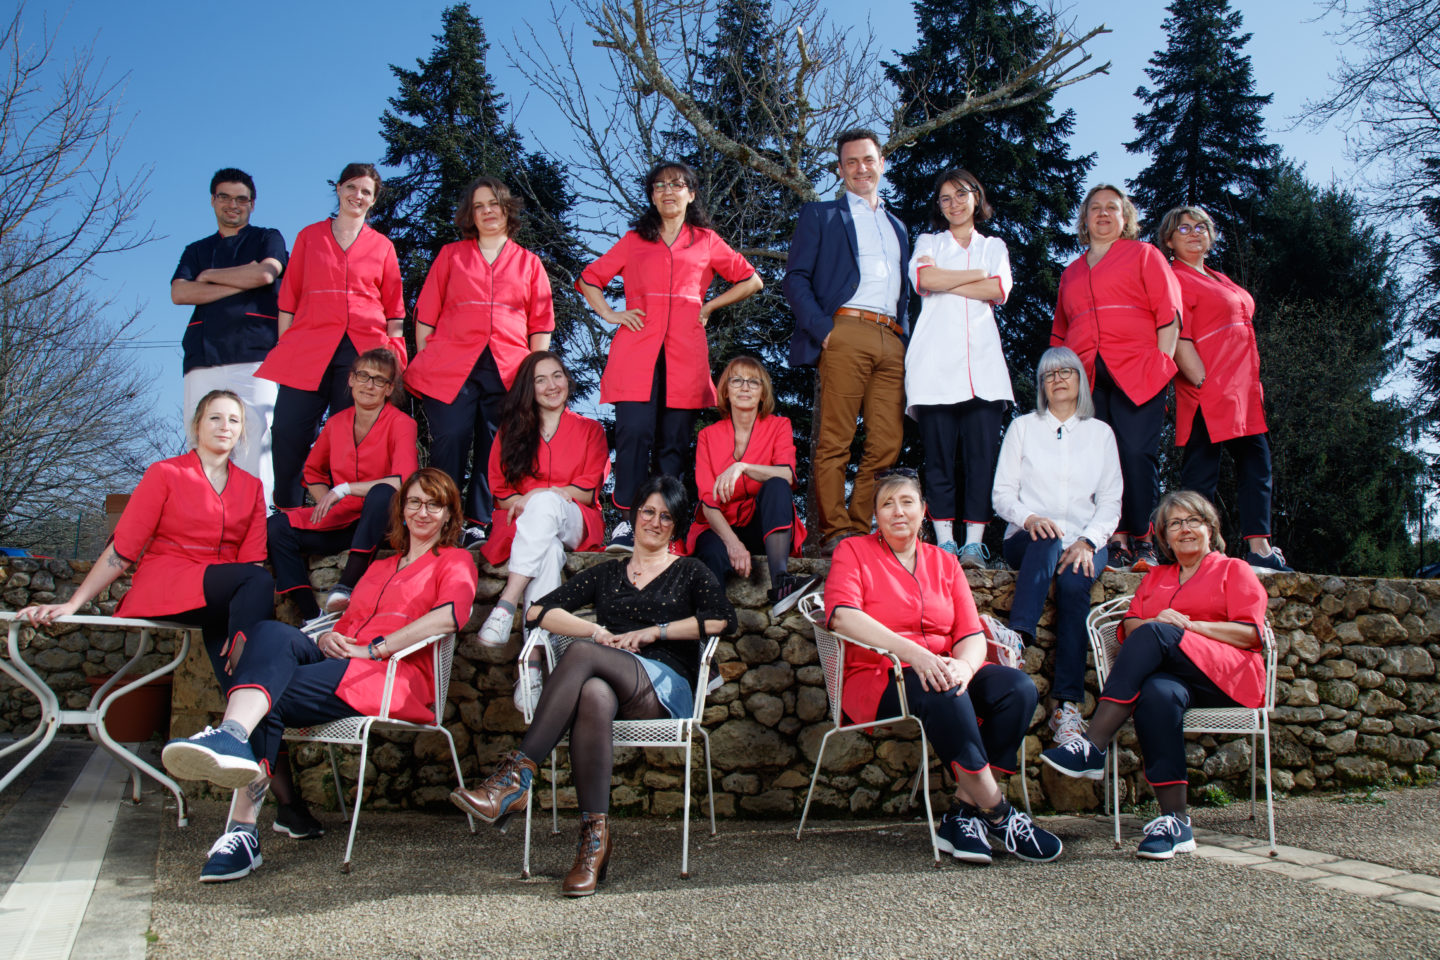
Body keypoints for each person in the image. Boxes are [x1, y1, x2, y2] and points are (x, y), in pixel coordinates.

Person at [17, 392, 319, 839]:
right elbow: (123, 549)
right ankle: (247, 673)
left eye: (233, 420)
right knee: (256, 597)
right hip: (169, 584)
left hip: (225, 595)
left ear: (241, 432)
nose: (224, 426)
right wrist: (74, 602)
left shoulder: (250, 487)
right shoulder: (165, 473)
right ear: (197, 425)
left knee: (252, 693)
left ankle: (287, 808)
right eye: (215, 418)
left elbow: (252, 557)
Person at [160, 468, 479, 882]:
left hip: (390, 677)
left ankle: (241, 828)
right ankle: (234, 737)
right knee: (269, 633)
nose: (422, 512)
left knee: (266, 696)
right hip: (340, 663)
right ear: (401, 509)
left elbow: (450, 616)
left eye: (434, 505)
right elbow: (348, 623)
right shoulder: (380, 567)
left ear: (449, 514)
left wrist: (375, 648)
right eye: (414, 502)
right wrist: (330, 637)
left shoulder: (454, 560)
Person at [451, 475, 736, 897]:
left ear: (675, 526)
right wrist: (595, 631)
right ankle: (593, 844)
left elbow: (723, 619)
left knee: (582, 655)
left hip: (665, 686)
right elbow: (539, 612)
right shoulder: (608, 573)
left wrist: (655, 632)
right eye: (648, 512)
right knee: (593, 692)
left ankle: (514, 779)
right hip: (614, 681)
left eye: (665, 516)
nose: (654, 522)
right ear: (634, 515)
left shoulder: (689, 571)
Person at [824, 470, 1062, 865]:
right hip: (878, 675)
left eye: (907, 502)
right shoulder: (854, 551)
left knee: (1017, 689)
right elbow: (842, 616)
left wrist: (965, 668)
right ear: (875, 516)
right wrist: (916, 655)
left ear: (924, 511)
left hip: (942, 670)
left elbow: (970, 633)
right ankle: (999, 814)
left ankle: (962, 815)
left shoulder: (945, 562)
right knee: (940, 684)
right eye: (887, 504)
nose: (898, 511)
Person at [1041, 490, 1269, 860]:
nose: (1185, 529)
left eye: (1193, 521)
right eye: (1175, 524)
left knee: (1156, 632)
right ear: (1164, 537)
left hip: (1227, 678)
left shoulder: (1234, 570)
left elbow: (1251, 634)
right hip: (1176, 678)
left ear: (1210, 529)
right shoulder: (1157, 577)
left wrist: (1189, 627)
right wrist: (1158, 624)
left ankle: (1093, 744)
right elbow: (1130, 625)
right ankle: (1175, 821)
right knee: (1156, 694)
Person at [578, 162, 762, 552]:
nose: (668, 191)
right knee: (633, 433)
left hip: (686, 353)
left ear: (691, 194)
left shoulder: (706, 241)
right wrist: (610, 314)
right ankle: (627, 522)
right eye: (659, 185)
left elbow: (751, 280)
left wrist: (709, 306)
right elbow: (589, 278)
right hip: (635, 351)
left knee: (674, 443)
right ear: (652, 195)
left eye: (677, 185)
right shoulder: (634, 240)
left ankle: (665, 526)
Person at [408, 176, 556, 548]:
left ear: (507, 209)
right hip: (450, 366)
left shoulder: (529, 263)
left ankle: (477, 522)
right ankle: (440, 519)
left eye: (494, 204)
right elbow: (426, 315)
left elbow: (541, 324)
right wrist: (428, 358)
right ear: (470, 215)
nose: (487, 211)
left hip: (508, 368)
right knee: (451, 438)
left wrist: (534, 372)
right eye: (479, 206)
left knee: (495, 445)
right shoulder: (451, 255)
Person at [783, 129, 911, 554]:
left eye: (868, 160)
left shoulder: (898, 226)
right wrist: (825, 330)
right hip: (846, 330)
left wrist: (906, 339)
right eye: (851, 162)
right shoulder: (821, 214)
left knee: (887, 441)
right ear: (840, 170)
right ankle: (835, 532)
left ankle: (859, 527)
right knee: (836, 439)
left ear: (881, 163)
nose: (861, 168)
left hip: (892, 338)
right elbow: (795, 278)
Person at [992, 347, 1122, 746]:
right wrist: (1031, 518)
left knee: (1074, 584)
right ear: (1042, 386)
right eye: (1049, 374)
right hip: (1028, 538)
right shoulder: (1023, 428)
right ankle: (1018, 638)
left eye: (1066, 372)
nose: (1058, 379)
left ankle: (1066, 707)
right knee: (1048, 539)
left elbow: (1110, 501)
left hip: (1085, 538)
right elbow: (1002, 494)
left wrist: (1087, 541)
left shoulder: (1100, 434)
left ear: (1080, 380)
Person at [258, 162, 406, 509]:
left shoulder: (383, 246)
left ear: (374, 200)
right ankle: (287, 510)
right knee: (287, 430)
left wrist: (394, 356)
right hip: (308, 348)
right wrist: (285, 346)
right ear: (338, 189)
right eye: (351, 187)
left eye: (366, 192)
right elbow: (288, 299)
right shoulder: (309, 237)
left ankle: (347, 516)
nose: (358, 195)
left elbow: (395, 310)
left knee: (352, 440)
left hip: (364, 353)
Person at [1050, 183, 1181, 573]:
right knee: (1099, 462)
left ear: (1125, 218)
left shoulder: (1144, 255)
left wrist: (1161, 364)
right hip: (1086, 377)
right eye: (1095, 208)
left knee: (1136, 453)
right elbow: (1060, 333)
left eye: (1112, 207)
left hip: (1138, 369)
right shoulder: (1071, 272)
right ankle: (1115, 540)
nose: (1103, 214)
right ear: (1085, 219)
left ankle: (1144, 539)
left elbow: (1169, 314)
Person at [1158, 205, 1292, 575]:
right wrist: (1203, 381)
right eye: (1184, 228)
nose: (1194, 233)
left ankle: (1259, 550)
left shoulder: (1219, 277)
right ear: (1168, 240)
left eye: (1201, 227)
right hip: (1208, 389)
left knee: (1257, 465)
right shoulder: (1174, 278)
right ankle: (1191, 553)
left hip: (1242, 391)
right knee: (1200, 476)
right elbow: (1176, 334)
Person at [473, 351, 609, 713]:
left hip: (575, 519)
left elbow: (586, 491)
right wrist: (530, 501)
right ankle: (531, 663)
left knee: (547, 503)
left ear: (567, 380)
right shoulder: (511, 432)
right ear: (528, 388)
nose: (552, 385)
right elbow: (501, 494)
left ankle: (507, 602)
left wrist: (537, 496)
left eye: (557, 376)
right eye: (540, 379)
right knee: (547, 552)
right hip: (522, 526)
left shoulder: (590, 429)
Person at [905, 168, 1013, 567]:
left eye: (961, 194)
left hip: (983, 368)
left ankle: (974, 544)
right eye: (945, 198)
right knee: (938, 459)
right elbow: (924, 279)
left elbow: (998, 289)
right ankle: (945, 541)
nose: (954, 204)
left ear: (976, 197)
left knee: (981, 459)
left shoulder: (994, 245)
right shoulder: (928, 241)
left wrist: (947, 281)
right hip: (933, 367)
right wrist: (975, 277)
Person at [268, 348, 418, 622]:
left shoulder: (402, 423)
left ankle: (346, 585)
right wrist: (324, 501)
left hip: (386, 524)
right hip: (344, 522)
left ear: (388, 389)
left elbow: (402, 480)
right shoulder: (336, 423)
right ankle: (312, 616)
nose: (369, 385)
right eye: (363, 376)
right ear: (350, 379)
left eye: (379, 380)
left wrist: (344, 489)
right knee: (276, 526)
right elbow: (312, 471)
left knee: (382, 493)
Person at [170, 167, 288, 508]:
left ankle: (258, 520)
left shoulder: (268, 238)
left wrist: (209, 277)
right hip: (202, 357)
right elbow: (180, 293)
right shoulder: (196, 249)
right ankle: (203, 519)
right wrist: (240, 281)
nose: (233, 205)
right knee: (202, 443)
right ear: (213, 200)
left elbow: (265, 273)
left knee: (255, 441)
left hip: (255, 355)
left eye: (241, 199)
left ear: (252, 204)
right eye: (225, 197)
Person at [685, 356, 814, 615]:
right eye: (737, 380)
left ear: (763, 393)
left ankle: (781, 584)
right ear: (725, 391)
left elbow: (788, 475)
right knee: (711, 553)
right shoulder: (708, 436)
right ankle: (710, 624)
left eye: (754, 382)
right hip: (720, 527)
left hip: (762, 527)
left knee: (777, 484)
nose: (745, 387)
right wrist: (733, 544)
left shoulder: (779, 425)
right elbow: (708, 500)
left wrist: (742, 467)